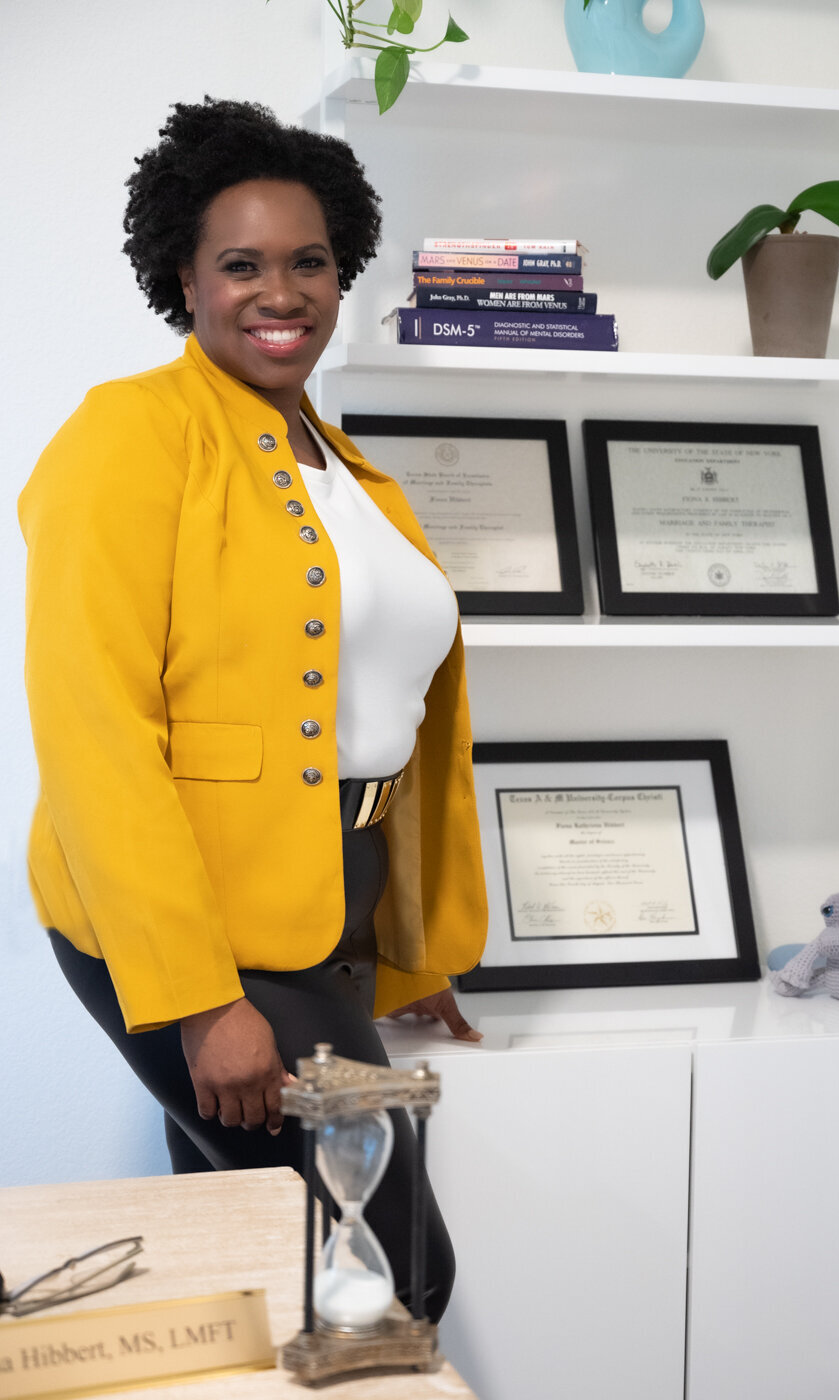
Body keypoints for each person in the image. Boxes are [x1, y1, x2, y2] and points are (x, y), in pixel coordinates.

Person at [18, 97, 488, 1323]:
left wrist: (410, 933)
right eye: (241, 264)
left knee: (255, 1270)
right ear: (183, 272)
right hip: (199, 933)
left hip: (337, 906)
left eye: (309, 261)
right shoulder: (130, 435)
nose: (280, 292)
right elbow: (93, 729)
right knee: (390, 1273)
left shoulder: (341, 463)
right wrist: (196, 996)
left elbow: (383, 709)